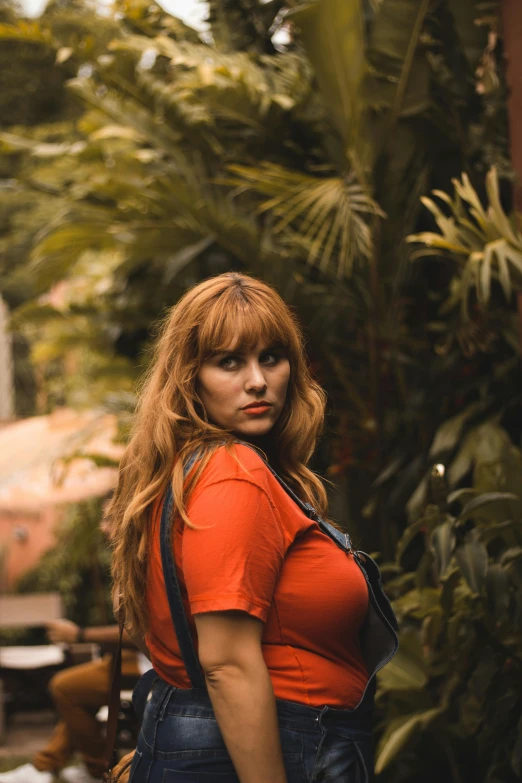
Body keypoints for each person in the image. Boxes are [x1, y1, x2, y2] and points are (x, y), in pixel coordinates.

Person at [108, 272, 399, 783]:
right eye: (229, 362)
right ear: (189, 376)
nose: (258, 381)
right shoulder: (232, 472)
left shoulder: (191, 469)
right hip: (286, 746)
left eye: (272, 357)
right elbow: (227, 664)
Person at [0, 620, 149, 783]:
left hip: (152, 664)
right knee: (73, 691)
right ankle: (46, 766)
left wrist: (80, 634)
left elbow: (147, 632)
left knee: (65, 689)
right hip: (135, 657)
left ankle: (96, 770)